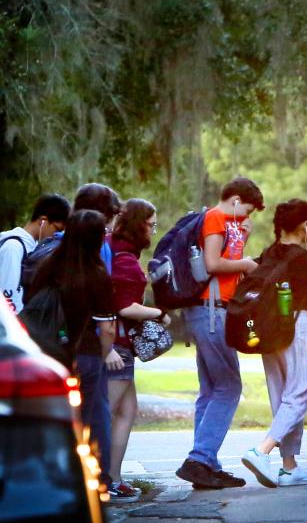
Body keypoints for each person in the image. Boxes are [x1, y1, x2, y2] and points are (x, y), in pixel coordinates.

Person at [176, 177, 265, 489]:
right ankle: (199, 458)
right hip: (211, 311)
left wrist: (243, 240)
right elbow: (213, 263)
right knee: (229, 386)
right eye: (247, 210)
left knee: (211, 389)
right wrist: (249, 263)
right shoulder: (216, 216)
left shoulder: (230, 224)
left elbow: (227, 263)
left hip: (211, 310)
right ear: (237, 199)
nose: (246, 217)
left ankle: (207, 464)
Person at [242, 199, 307, 488]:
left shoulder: (268, 255)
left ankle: (289, 467)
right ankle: (261, 451)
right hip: (297, 327)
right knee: (299, 393)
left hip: (269, 331)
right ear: (304, 226)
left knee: (282, 396)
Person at [30, 210, 117, 487]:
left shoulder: (48, 265)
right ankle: (95, 479)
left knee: (54, 419)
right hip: (86, 354)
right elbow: (107, 328)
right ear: (96, 239)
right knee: (91, 418)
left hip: (47, 355)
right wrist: (106, 354)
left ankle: (51, 475)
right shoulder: (96, 274)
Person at [105, 199, 167, 503]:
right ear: (139, 224)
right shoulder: (126, 260)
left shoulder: (110, 247)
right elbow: (124, 307)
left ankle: (114, 477)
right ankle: (103, 479)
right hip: (116, 346)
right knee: (104, 413)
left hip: (116, 345)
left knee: (127, 411)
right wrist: (158, 313)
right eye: (151, 224)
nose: (154, 230)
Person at [0, 193, 70, 313]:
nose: (56, 236)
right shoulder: (14, 247)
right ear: (43, 220)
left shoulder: (33, 246)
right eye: (57, 229)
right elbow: (8, 297)